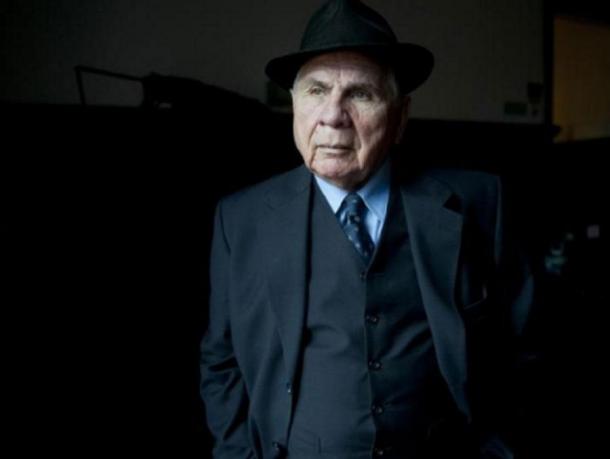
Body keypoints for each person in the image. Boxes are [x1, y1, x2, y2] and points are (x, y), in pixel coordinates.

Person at [200, 1, 534, 458]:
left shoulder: (479, 202)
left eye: (360, 94)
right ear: (295, 106)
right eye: (316, 91)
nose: (332, 116)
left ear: (400, 117)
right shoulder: (240, 219)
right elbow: (221, 361)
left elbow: (523, 351)